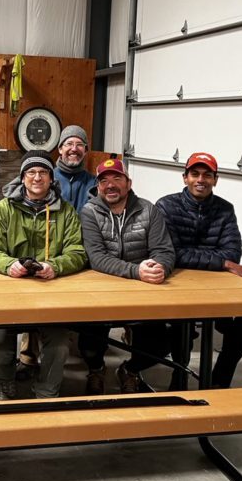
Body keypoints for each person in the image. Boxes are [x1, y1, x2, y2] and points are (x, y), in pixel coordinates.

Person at [0, 150, 87, 399]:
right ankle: (5, 379)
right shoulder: (4, 209)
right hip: (9, 292)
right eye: (31, 172)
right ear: (22, 177)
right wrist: (9, 265)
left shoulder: (66, 212)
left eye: (42, 172)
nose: (37, 177)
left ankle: (47, 390)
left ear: (51, 178)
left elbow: (77, 251)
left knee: (59, 344)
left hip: (51, 292)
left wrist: (55, 266)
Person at [156, 152, 242, 388]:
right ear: (185, 178)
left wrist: (224, 261)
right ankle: (178, 381)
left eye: (207, 175)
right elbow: (173, 253)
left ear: (215, 180)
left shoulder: (225, 209)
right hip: (177, 285)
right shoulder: (166, 206)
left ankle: (218, 385)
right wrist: (222, 263)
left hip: (216, 287)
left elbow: (233, 253)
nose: (201, 179)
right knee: (181, 332)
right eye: (195, 174)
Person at [79, 158, 176, 394]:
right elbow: (97, 258)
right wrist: (136, 271)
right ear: (98, 186)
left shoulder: (148, 210)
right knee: (88, 337)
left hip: (142, 291)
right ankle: (96, 369)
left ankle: (130, 370)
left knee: (163, 341)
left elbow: (164, 250)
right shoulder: (89, 212)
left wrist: (160, 267)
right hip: (102, 290)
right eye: (104, 180)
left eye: (117, 178)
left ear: (128, 183)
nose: (110, 184)